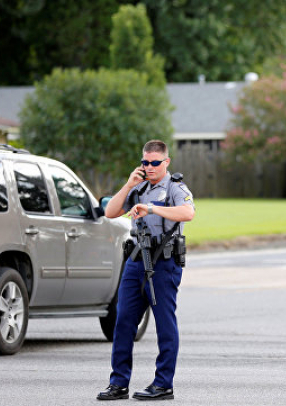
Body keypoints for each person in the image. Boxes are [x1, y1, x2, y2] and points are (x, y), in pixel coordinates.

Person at [97, 140, 195, 401]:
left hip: (164, 261)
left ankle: (163, 384)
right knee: (123, 321)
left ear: (166, 162)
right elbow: (110, 211)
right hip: (137, 259)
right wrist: (129, 184)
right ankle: (118, 383)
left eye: (154, 163)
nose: (149, 167)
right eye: (145, 162)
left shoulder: (175, 188)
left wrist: (151, 208)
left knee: (164, 323)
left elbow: (188, 213)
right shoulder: (137, 188)